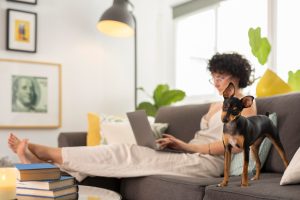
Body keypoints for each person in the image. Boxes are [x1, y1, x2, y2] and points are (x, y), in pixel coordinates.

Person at [8, 52, 256, 181]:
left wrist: (186, 147)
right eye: (212, 77)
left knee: (130, 153)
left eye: (220, 77)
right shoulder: (215, 104)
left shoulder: (246, 105)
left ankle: (50, 154)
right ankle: (42, 171)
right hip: (189, 153)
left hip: (206, 163)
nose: (215, 82)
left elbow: (234, 145)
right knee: (127, 153)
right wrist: (179, 146)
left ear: (236, 76)